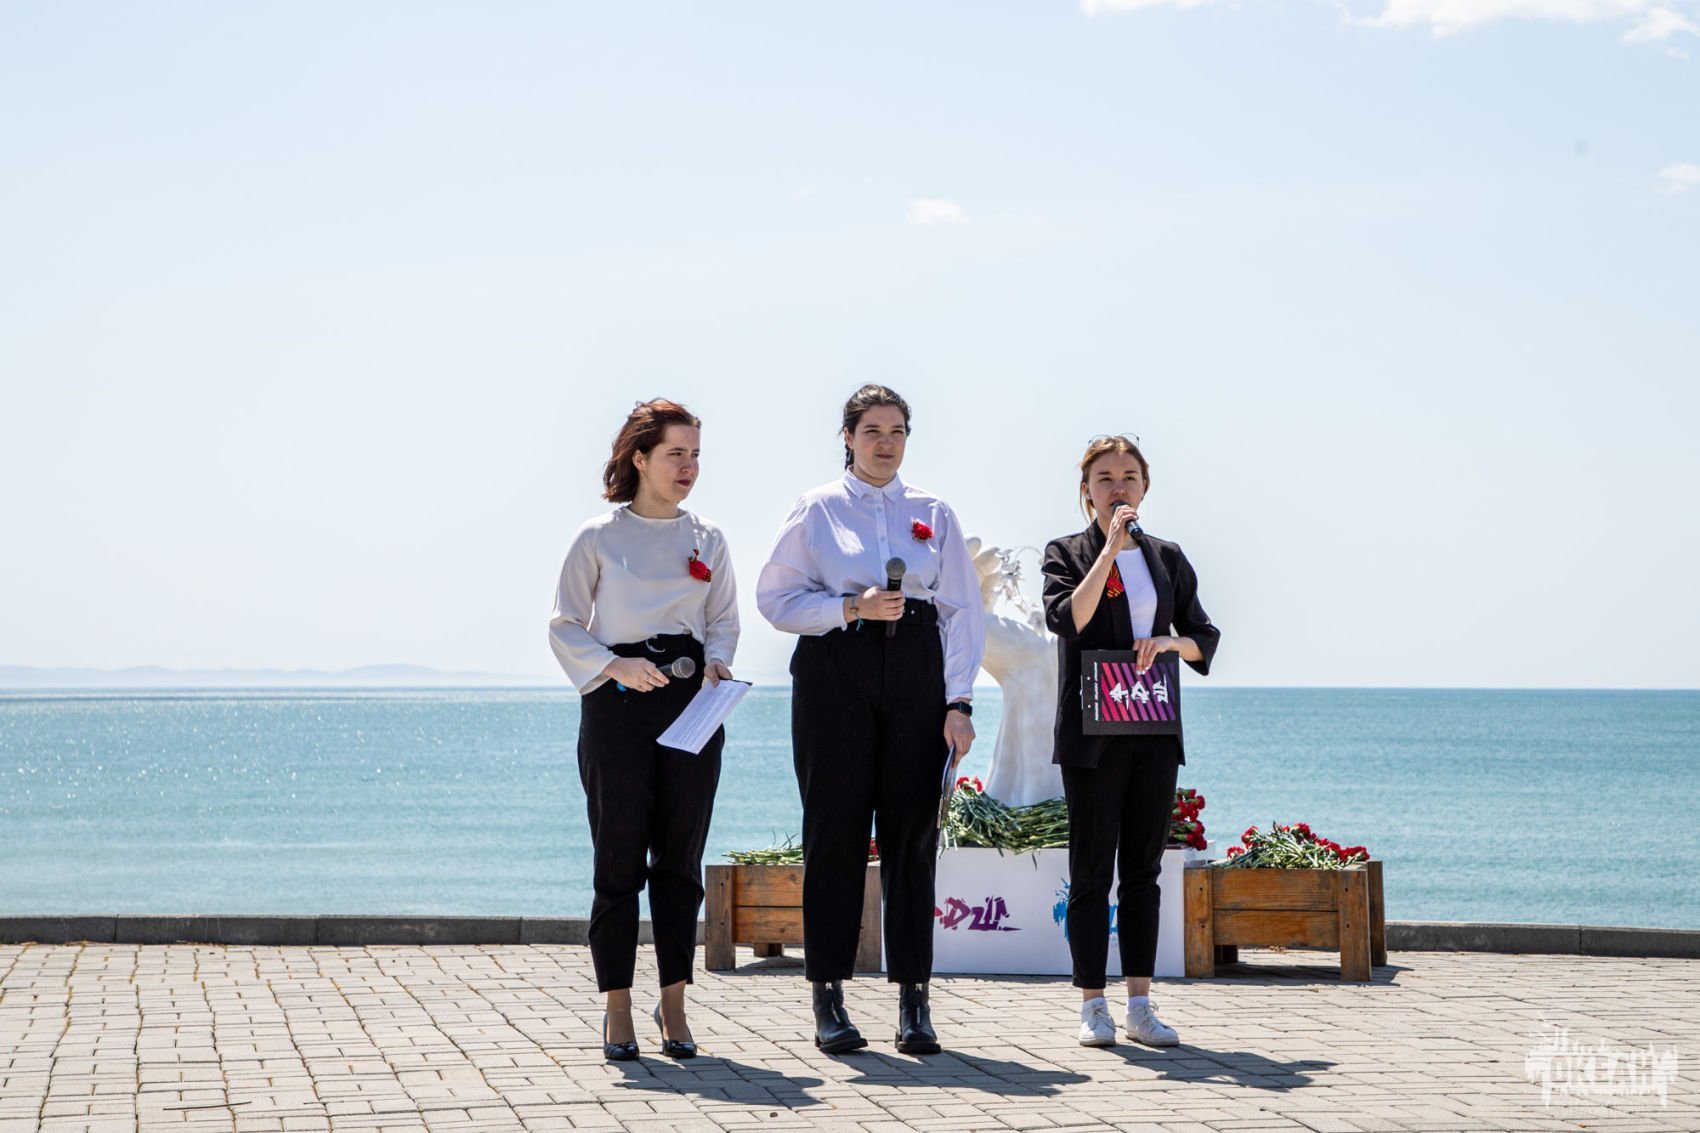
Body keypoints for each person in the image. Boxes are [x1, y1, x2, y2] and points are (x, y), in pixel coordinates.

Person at [756, 384, 985, 1055]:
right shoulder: (817, 508)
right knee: (834, 834)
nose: (885, 443)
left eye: (897, 431)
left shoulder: (934, 512)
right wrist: (849, 608)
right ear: (848, 437)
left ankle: (915, 999)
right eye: (872, 431)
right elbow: (776, 599)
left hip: (917, 669)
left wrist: (959, 701)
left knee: (912, 838)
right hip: (836, 670)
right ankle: (828, 995)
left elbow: (962, 612)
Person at [548, 399, 738, 1062]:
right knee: (618, 860)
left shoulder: (709, 538)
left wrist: (718, 661)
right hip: (617, 703)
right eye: (674, 453)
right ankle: (618, 1005)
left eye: (695, 454)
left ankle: (675, 1001)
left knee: (680, 861)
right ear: (639, 457)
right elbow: (564, 625)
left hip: (693, 704)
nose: (688, 466)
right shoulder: (598, 536)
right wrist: (615, 666)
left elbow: (723, 619)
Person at [1041, 435, 1219, 1049]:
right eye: (1105, 478)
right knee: (1091, 871)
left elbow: (1203, 637)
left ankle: (1141, 1004)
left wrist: (1169, 643)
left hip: (1152, 725)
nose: (1118, 488)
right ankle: (1093, 1004)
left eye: (1129, 477)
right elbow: (1069, 618)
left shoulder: (1167, 557)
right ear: (1086, 490)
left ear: (1145, 486)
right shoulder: (1067, 552)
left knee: (1143, 870)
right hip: (1091, 731)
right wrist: (1110, 551)